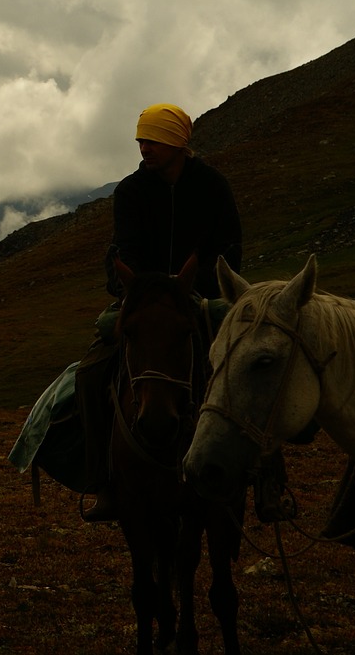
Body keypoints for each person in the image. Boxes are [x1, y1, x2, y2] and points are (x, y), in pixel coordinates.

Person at [75, 103, 242, 522]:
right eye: (141, 141)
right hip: (144, 296)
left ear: (178, 143)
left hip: (200, 295)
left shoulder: (212, 187)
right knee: (91, 372)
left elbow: (230, 249)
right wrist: (136, 285)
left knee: (253, 363)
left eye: (153, 140)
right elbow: (123, 249)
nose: (144, 148)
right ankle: (104, 481)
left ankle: (265, 478)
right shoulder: (131, 191)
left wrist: (194, 283)